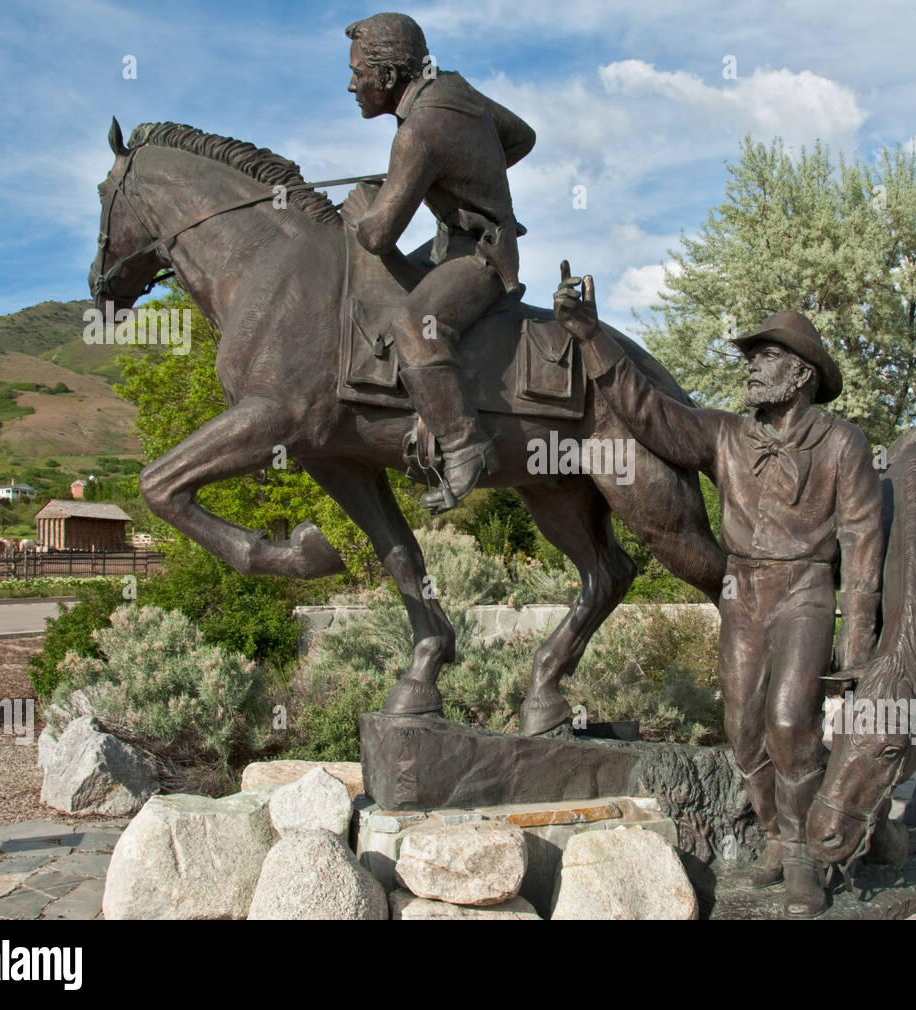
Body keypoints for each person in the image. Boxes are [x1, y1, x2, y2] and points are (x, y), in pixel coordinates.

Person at [554, 274, 884, 917]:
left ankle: (802, 856)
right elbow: (650, 414)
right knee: (740, 728)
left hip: (805, 588)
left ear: (802, 375)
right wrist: (591, 336)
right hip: (743, 588)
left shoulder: (842, 443)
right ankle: (773, 835)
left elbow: (864, 534)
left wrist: (859, 628)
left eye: (767, 358)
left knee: (791, 720)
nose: (753, 369)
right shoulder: (725, 433)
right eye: (753, 359)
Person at [346, 12, 536, 512]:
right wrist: (463, 169)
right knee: (381, 289)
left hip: (480, 257)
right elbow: (522, 136)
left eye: (358, 73)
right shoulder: (455, 89)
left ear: (387, 77)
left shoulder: (418, 133)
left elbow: (378, 234)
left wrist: (365, 208)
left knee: (415, 325)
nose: (351, 86)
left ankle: (463, 445)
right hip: (449, 245)